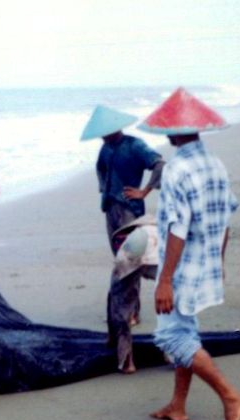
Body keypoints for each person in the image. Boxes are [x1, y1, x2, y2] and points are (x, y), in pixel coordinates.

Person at [138, 88, 240, 420]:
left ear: (172, 132)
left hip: (182, 267)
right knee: (185, 330)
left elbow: (176, 228)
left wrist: (166, 279)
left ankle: (231, 397)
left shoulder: (176, 169)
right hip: (206, 262)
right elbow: (226, 217)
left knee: (171, 335)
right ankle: (178, 405)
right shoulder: (215, 164)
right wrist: (219, 260)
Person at [81, 105, 165, 327]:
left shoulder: (134, 145)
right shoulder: (105, 149)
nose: (101, 136)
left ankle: (132, 312)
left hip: (130, 211)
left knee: (132, 260)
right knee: (120, 260)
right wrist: (104, 189)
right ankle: (128, 308)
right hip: (110, 209)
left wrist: (144, 191)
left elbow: (159, 164)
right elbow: (100, 168)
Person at [107, 215, 158, 374]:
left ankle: (127, 362)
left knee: (120, 302)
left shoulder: (129, 237)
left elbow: (115, 300)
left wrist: (111, 337)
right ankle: (172, 353)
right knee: (171, 304)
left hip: (134, 251)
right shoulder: (165, 227)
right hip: (161, 255)